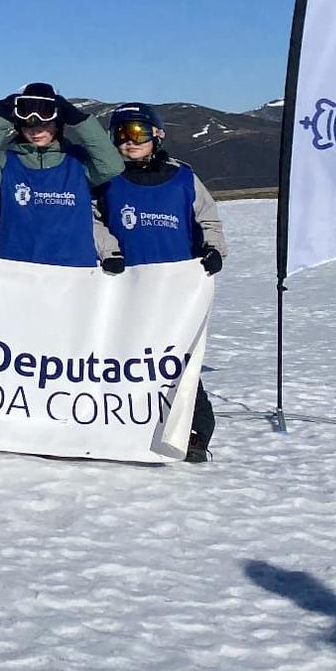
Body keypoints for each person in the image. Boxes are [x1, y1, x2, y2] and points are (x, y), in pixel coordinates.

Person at [95, 103, 224, 463]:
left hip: (176, 288)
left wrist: (214, 249)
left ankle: (194, 428)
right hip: (126, 284)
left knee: (176, 357)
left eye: (138, 133)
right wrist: (109, 250)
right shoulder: (108, 180)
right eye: (121, 134)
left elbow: (208, 218)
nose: (129, 141)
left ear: (157, 136)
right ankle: (121, 419)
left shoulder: (182, 177)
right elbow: (91, 219)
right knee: (126, 355)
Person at [0, 82, 123, 269]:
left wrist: (79, 120)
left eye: (45, 124)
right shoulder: (8, 163)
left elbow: (112, 166)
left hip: (73, 271)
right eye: (28, 125)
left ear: (58, 124)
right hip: (17, 268)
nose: (36, 131)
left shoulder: (77, 163)